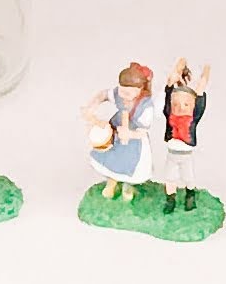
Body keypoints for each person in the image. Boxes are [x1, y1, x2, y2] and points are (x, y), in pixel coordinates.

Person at [89, 61, 156, 198]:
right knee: (112, 157)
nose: (124, 95)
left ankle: (128, 185)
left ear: (140, 89)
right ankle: (112, 182)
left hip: (133, 139)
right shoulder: (118, 94)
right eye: (122, 91)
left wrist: (130, 134)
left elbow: (143, 132)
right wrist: (93, 105)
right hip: (116, 129)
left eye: (128, 92)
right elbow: (104, 94)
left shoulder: (145, 106)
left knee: (128, 162)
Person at [159, 57, 212, 206]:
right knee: (169, 178)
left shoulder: (193, 118)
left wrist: (206, 70)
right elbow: (169, 89)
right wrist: (177, 69)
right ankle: (170, 200)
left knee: (188, 177)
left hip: (186, 155)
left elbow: (200, 91)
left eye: (186, 104)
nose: (180, 108)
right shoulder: (169, 115)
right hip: (172, 154)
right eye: (176, 104)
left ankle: (190, 196)